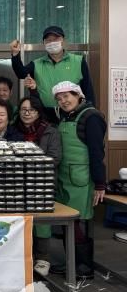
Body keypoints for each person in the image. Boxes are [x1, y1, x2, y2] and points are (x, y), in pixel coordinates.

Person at [50, 81, 106, 279]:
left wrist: (100, 183)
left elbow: (97, 152)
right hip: (65, 178)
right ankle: (71, 263)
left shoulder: (91, 117)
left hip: (82, 180)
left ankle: (84, 267)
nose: (63, 101)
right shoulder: (66, 116)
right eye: (59, 98)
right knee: (68, 223)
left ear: (78, 95)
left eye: (66, 96)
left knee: (79, 223)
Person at [13, 96, 62, 277]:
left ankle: (43, 258)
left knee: (42, 221)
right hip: (16, 183)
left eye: (32, 110)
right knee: (19, 221)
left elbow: (54, 158)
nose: (27, 113)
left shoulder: (50, 131)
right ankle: (23, 256)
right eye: (23, 109)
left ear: (38, 112)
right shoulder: (13, 130)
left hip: (43, 182)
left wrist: (29, 165)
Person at [10, 26, 96, 119]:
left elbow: (88, 89)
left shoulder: (78, 61)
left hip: (73, 113)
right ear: (44, 43)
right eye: (48, 40)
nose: (52, 42)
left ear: (63, 40)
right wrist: (15, 54)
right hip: (45, 114)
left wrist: (91, 112)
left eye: (56, 39)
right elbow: (21, 73)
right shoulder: (37, 63)